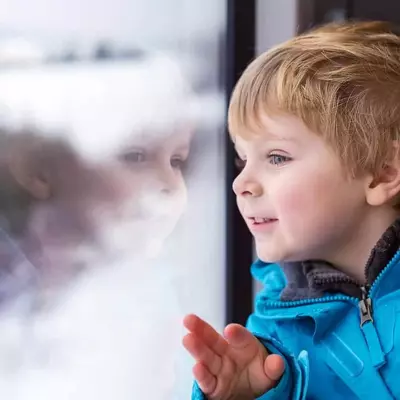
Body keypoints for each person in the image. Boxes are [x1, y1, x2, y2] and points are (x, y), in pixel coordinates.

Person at [184, 20, 400, 399]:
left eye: (277, 157)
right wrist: (257, 393)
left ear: (383, 173)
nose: (241, 184)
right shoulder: (274, 335)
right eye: (242, 160)